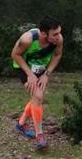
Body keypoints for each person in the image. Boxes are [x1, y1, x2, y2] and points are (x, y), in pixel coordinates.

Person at [11, 16, 63, 150]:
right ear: (43, 33)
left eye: (59, 32)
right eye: (55, 34)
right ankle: (39, 135)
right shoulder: (27, 39)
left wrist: (46, 74)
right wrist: (30, 75)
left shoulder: (58, 40)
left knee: (36, 98)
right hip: (24, 67)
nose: (58, 37)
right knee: (38, 97)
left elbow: (57, 56)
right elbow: (15, 55)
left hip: (41, 69)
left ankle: (21, 124)